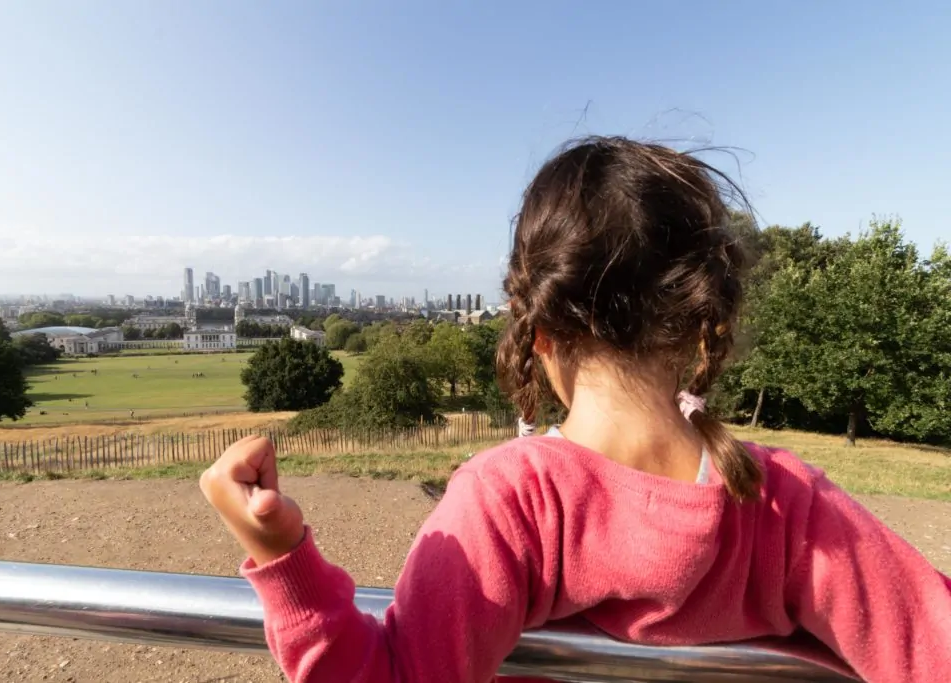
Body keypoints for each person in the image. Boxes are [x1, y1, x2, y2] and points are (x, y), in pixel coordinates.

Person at [200, 136, 951, 683]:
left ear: (543, 334)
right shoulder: (784, 502)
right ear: (700, 324)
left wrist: (281, 555)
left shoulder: (513, 501)